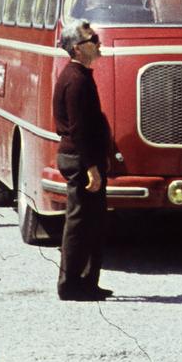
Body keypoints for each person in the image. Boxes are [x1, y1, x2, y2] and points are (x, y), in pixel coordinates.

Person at [54, 21, 114, 301]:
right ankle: (70, 284)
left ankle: (88, 281)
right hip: (80, 159)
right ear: (77, 48)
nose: (99, 44)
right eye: (94, 39)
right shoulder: (75, 79)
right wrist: (91, 167)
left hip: (86, 158)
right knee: (79, 221)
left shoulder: (81, 75)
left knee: (93, 221)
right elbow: (78, 129)